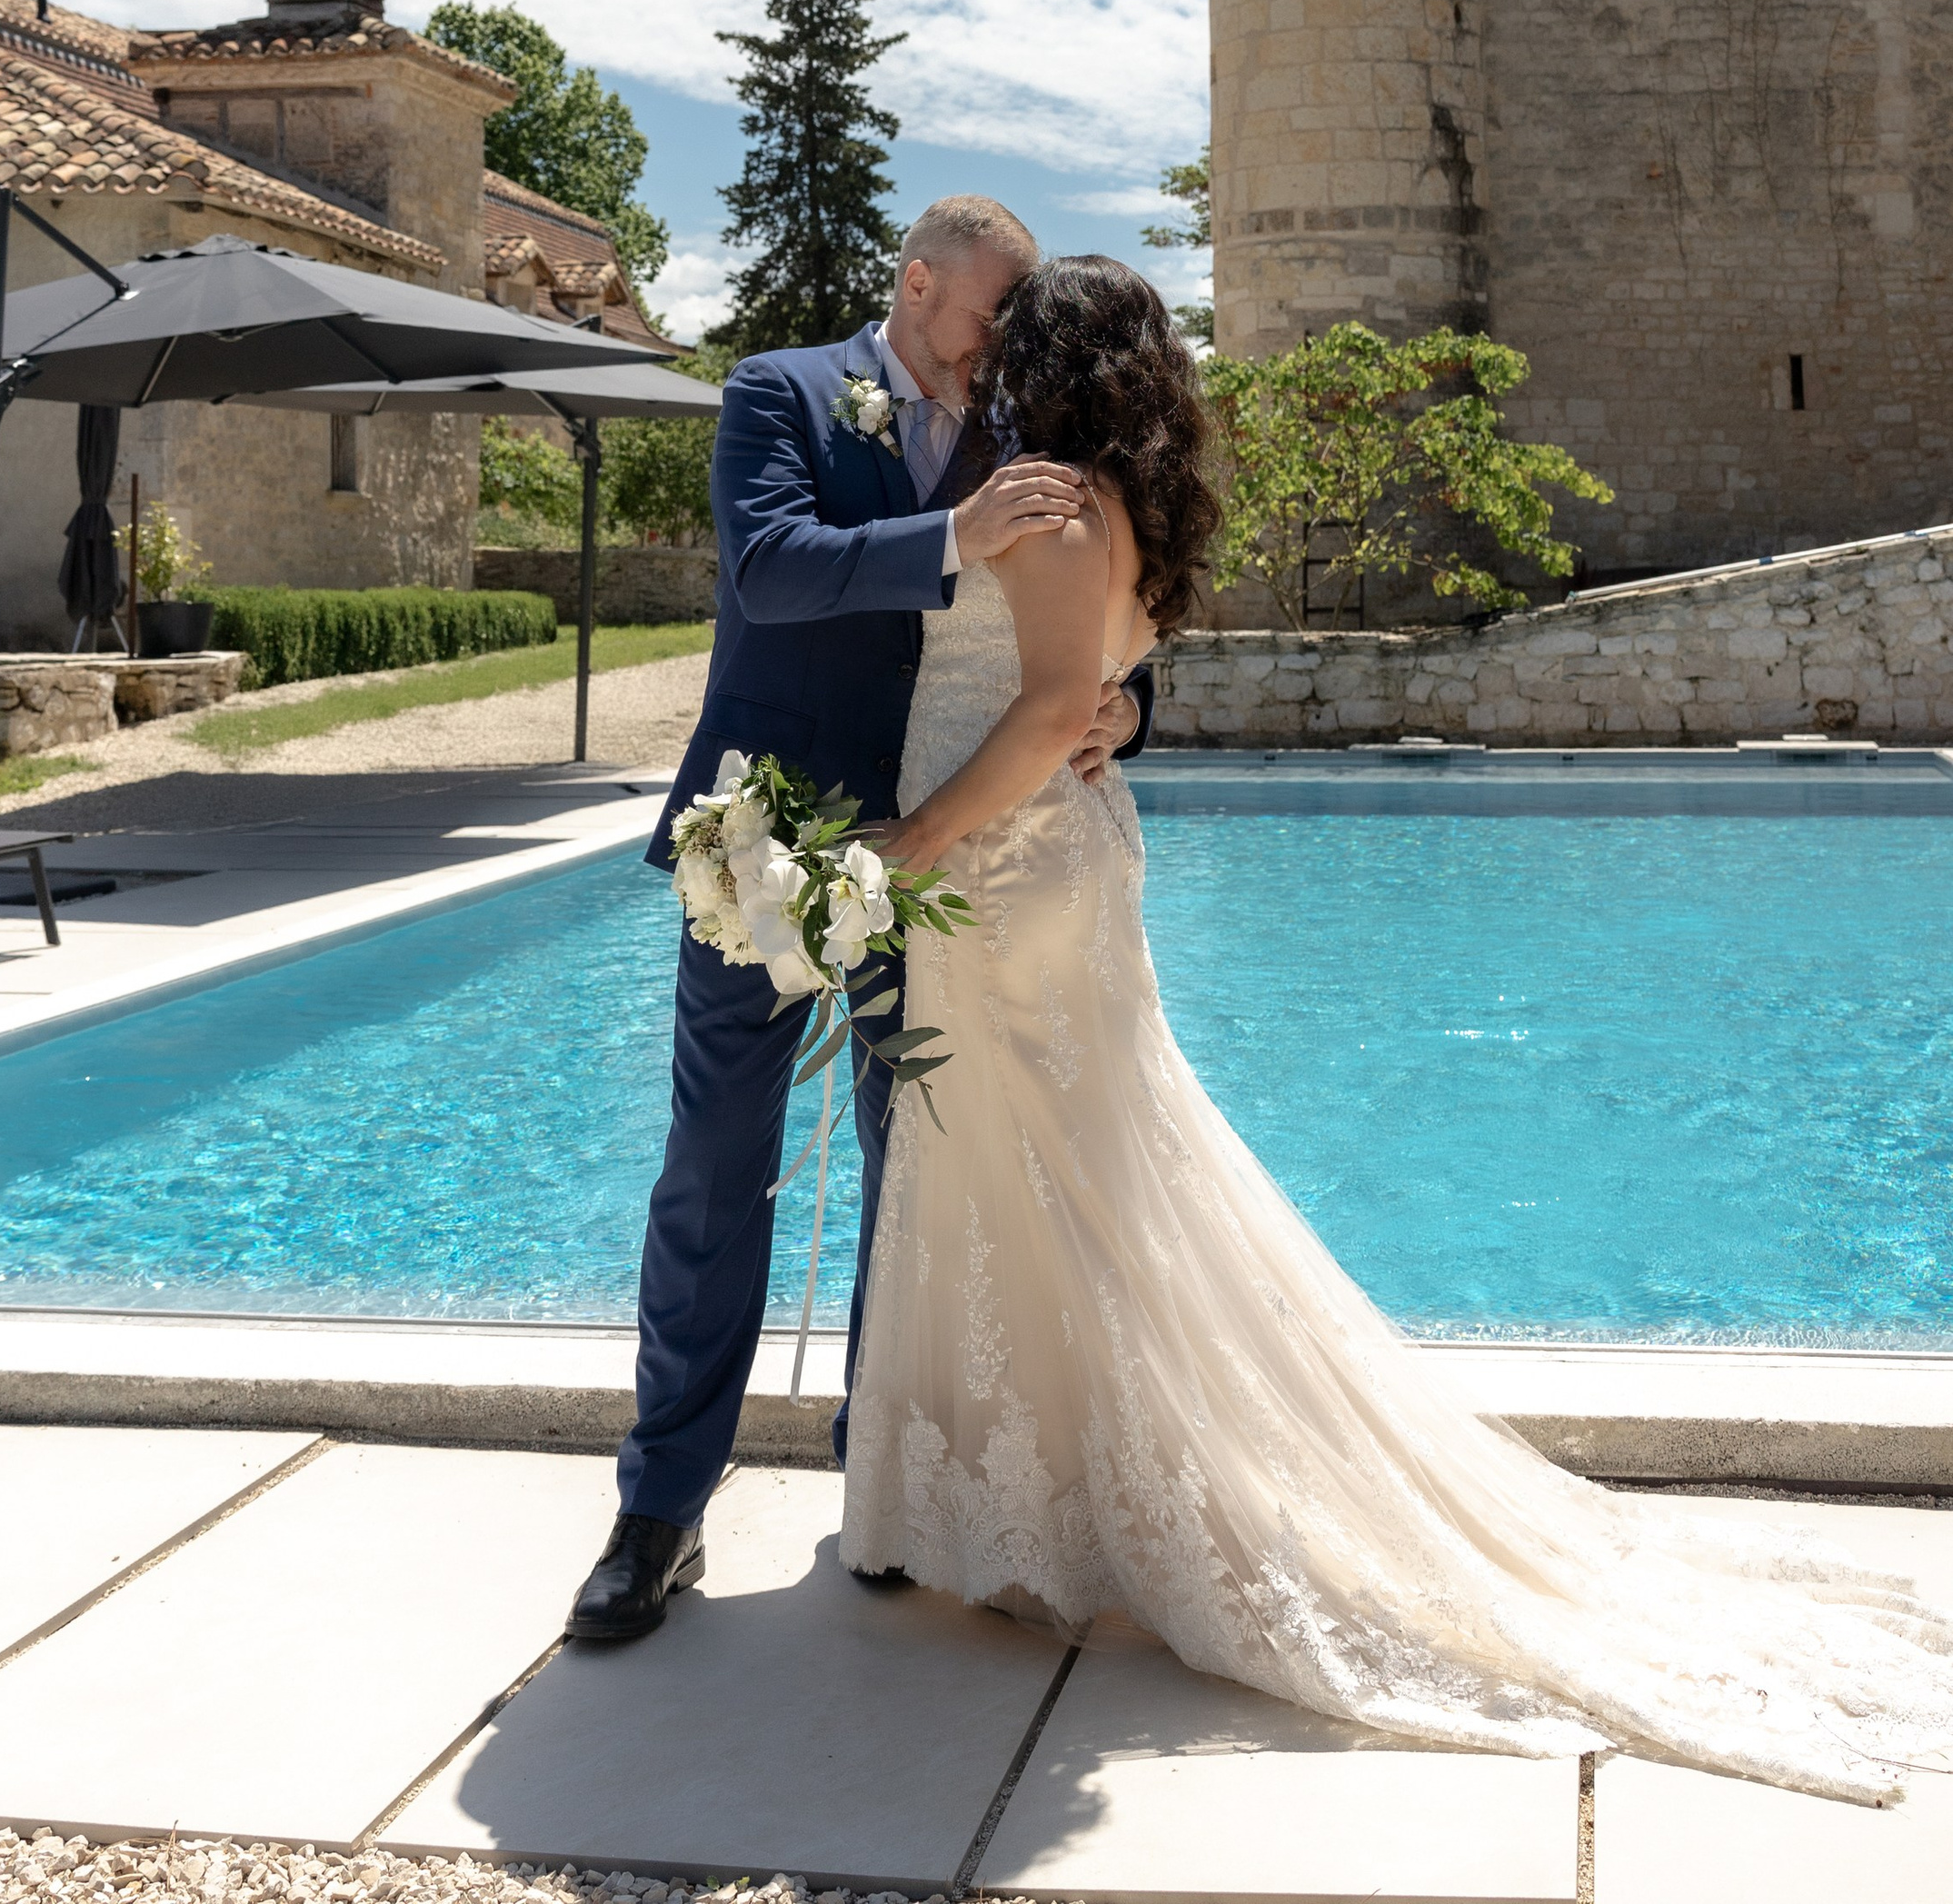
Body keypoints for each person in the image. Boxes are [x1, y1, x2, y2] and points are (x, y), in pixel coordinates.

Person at [840, 254, 1953, 1805]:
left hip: (1011, 868)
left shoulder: (1045, 499)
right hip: (1073, 865)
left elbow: (1042, 710)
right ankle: (1057, 1498)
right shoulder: (1136, 515)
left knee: (1053, 1181)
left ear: (1047, 363)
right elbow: (1108, 681)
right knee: (1090, 1179)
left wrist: (912, 848)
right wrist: (1083, 734)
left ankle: (1065, 1508)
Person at [567, 198, 1157, 1646]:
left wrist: (1126, 711)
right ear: (917, 281)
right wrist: (949, 530)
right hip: (768, 840)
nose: (1000, 347)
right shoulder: (778, 389)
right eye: (984, 314)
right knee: (715, 1167)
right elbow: (769, 567)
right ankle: (660, 1511)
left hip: (948, 856)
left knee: (925, 1168)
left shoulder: (1021, 431)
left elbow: (1067, 635)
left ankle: (888, 1485)